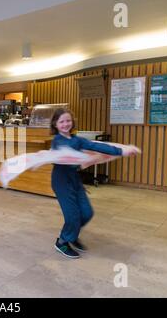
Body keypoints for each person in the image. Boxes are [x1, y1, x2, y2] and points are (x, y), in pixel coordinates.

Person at [50, 108, 137, 259]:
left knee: (87, 213)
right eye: (62, 121)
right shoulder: (57, 141)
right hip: (61, 182)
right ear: (55, 124)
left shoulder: (77, 140)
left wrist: (122, 151)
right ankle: (63, 241)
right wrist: (86, 159)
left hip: (75, 180)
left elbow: (97, 146)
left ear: (72, 122)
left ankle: (72, 235)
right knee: (73, 216)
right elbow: (65, 155)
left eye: (68, 120)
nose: (65, 124)